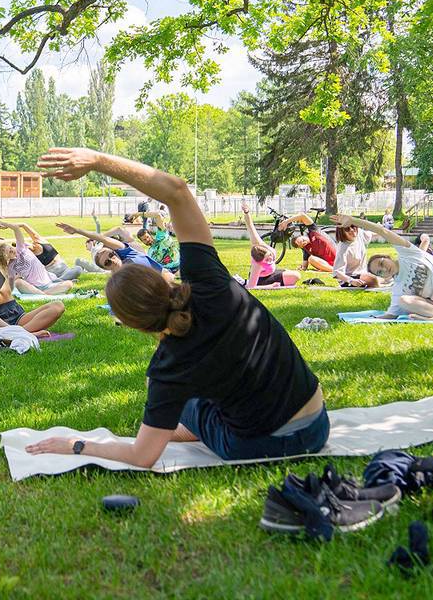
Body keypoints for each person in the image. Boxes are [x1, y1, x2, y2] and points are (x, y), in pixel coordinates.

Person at [24, 148, 328, 467]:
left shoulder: (167, 369)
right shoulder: (211, 281)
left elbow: (142, 456)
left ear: (133, 325)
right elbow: (176, 191)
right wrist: (97, 161)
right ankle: (192, 422)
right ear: (161, 279)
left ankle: (185, 426)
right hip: (317, 424)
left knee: (171, 393)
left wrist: (78, 445)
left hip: (258, 445)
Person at [334, 215, 433, 321]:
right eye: (379, 271)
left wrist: (354, 220)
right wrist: (368, 319)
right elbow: (390, 315)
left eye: (382, 264)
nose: (384, 270)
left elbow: (382, 231)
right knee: (404, 300)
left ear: (389, 257)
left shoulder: (408, 253)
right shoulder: (398, 288)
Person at [0, 220, 75, 295]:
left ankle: (43, 295)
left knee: (69, 284)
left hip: (48, 283)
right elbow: (11, 283)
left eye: (10, 248)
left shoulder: (21, 248)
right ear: (6, 257)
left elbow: (16, 228)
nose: (12, 250)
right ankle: (44, 295)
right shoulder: (11, 267)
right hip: (34, 287)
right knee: (18, 283)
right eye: (9, 252)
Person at [57, 222, 171, 279]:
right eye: (107, 262)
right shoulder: (118, 281)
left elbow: (103, 238)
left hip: (164, 277)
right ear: (105, 268)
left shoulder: (128, 253)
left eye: (111, 254)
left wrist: (77, 230)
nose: (112, 260)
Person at [240, 205, 301, 288]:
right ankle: (249, 281)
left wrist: (246, 212)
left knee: (295, 275)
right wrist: (270, 286)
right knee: (295, 276)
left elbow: (250, 227)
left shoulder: (262, 246)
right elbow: (250, 287)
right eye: (267, 260)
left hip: (271, 273)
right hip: (262, 280)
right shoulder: (257, 265)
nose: (271, 259)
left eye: (269, 256)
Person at [3, 221, 85, 281]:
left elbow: (24, 225)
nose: (27, 245)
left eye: (26, 243)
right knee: (53, 277)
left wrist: (9, 225)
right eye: (25, 246)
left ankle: (61, 281)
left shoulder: (40, 240)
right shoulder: (29, 255)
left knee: (78, 269)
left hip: (64, 268)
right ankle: (61, 281)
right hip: (51, 273)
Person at [331, 221, 381, 288]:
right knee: (373, 279)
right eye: (347, 229)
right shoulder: (343, 248)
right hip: (349, 279)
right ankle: (379, 290)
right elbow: (337, 272)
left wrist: (380, 229)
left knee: (384, 276)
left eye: (353, 226)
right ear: (342, 232)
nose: (352, 230)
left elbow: (372, 234)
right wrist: (351, 281)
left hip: (362, 273)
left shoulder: (359, 233)